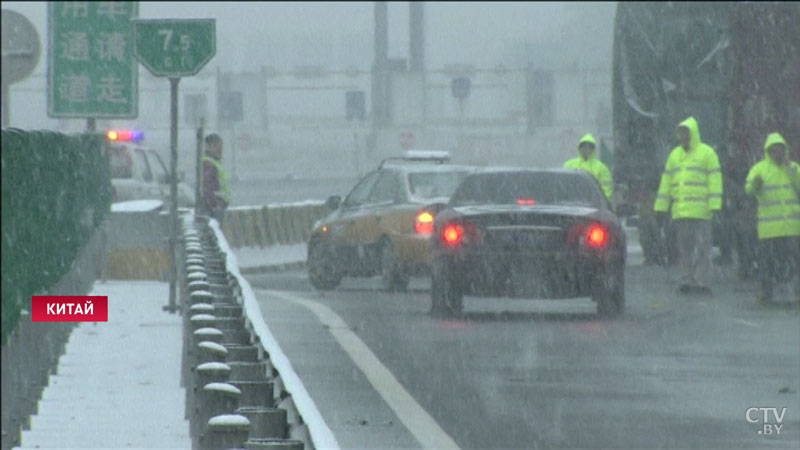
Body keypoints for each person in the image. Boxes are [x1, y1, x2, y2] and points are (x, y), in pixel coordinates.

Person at [654, 117, 723, 295]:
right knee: (684, 250)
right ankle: (686, 280)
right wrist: (661, 207)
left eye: (686, 133)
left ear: (693, 133)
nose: (683, 136)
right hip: (681, 212)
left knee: (702, 249)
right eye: (681, 133)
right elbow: (667, 182)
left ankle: (701, 281)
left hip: (702, 212)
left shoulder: (707, 153)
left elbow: (715, 180)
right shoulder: (675, 155)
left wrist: (715, 205)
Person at [744, 132, 800, 305]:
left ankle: (797, 293)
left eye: (780, 150)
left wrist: (791, 171)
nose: (778, 153)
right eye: (774, 150)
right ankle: (766, 294)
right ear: (769, 151)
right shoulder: (759, 169)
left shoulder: (793, 168)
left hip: (792, 226)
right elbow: (748, 190)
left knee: (795, 262)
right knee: (767, 263)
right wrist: (755, 185)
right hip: (769, 229)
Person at [563, 133, 613, 201]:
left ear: (593, 149)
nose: (587, 150)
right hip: (573, 204)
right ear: (580, 148)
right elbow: (563, 186)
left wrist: (600, 202)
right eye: (584, 147)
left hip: (594, 205)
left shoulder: (602, 168)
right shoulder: (569, 165)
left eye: (589, 147)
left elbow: (607, 189)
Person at [201, 133, 231, 225]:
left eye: (221, 147)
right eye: (216, 146)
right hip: (214, 210)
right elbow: (208, 188)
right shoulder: (209, 164)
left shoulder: (214, 163)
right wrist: (217, 205)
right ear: (208, 147)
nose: (220, 150)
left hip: (216, 208)